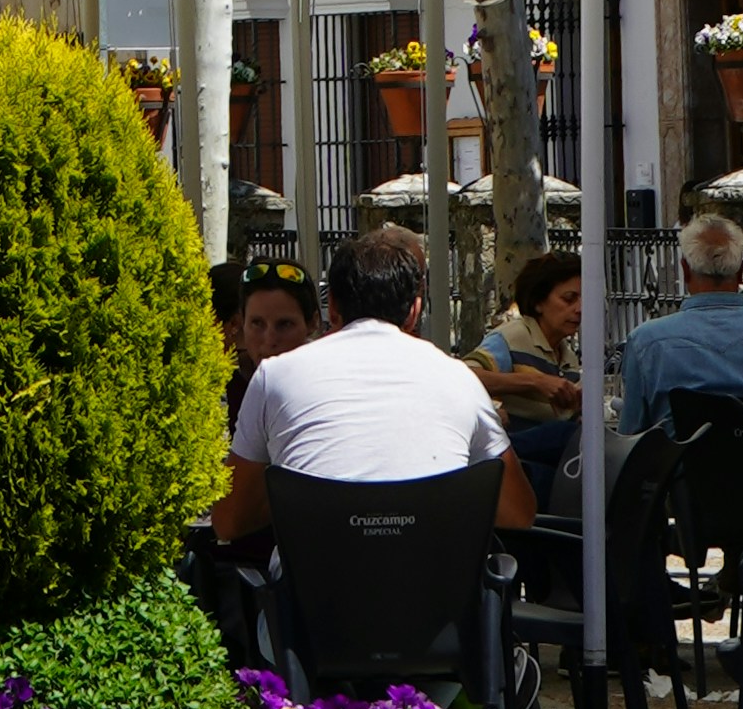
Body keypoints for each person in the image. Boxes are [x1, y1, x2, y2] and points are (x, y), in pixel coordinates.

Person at [211, 226, 530, 544]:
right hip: (436, 589)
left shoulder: (273, 377)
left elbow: (228, 522)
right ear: (414, 312)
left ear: (332, 307)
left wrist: (303, 492)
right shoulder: (460, 379)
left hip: (315, 588)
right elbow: (518, 513)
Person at [618, 210, 743, 437]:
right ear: (741, 272)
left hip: (685, 471)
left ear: (685, 270)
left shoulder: (646, 343)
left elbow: (631, 437)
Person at [475, 249, 586, 494]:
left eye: (584, 299)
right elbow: (465, 376)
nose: (579, 309)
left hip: (541, 465)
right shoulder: (512, 336)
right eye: (569, 299)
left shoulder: (567, 356)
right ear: (538, 302)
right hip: (512, 453)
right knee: (567, 437)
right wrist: (534, 383)